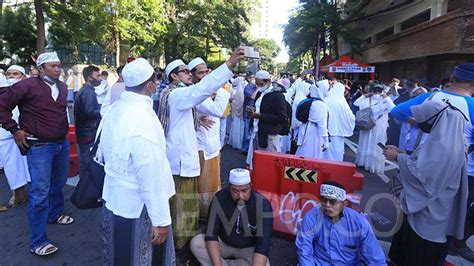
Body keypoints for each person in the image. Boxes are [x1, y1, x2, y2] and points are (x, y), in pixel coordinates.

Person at [157, 48, 244, 255]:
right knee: (183, 208)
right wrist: (229, 64)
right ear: (174, 76)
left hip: (184, 160)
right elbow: (200, 91)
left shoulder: (175, 93)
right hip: (180, 163)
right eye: (185, 71)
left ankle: (184, 245)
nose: (189, 74)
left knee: (187, 206)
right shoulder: (176, 94)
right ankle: (180, 250)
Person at [391, 63, 474, 262]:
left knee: (413, 217)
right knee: (439, 222)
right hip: (457, 173)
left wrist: (420, 122)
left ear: (453, 77)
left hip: (421, 162)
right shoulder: (469, 108)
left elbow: (398, 112)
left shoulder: (432, 97)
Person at [98, 58, 176, 265]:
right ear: (150, 85)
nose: (157, 84)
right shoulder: (142, 119)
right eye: (156, 80)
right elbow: (150, 174)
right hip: (138, 204)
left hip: (115, 197)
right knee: (139, 257)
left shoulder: (115, 110)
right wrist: (160, 221)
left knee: (118, 255)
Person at [0, 52, 73, 256]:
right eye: (53, 66)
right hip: (40, 146)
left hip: (61, 144)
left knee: (58, 184)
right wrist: (14, 129)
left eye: (59, 65)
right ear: (40, 69)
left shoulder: (63, 87)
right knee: (40, 193)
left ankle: (55, 214)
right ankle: (38, 241)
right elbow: (2, 106)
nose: (58, 69)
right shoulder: (27, 85)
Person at [190, 168, 273, 266]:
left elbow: (262, 245)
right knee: (196, 243)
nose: (240, 196)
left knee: (265, 264)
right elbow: (211, 234)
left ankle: (226, 263)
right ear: (229, 189)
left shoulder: (263, 204)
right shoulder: (220, 198)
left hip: (247, 248)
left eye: (244, 191)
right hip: (223, 244)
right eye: (235, 191)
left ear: (251, 187)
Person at [296, 181, 386, 265]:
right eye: (323, 199)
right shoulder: (311, 217)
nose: (327, 205)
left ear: (344, 204)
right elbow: (304, 250)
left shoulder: (359, 223)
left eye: (333, 201)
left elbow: (375, 257)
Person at [187, 57, 231, 218]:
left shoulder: (207, 90)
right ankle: (204, 216)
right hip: (202, 146)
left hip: (212, 143)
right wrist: (223, 89)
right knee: (204, 184)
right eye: (201, 73)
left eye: (207, 71)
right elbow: (218, 109)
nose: (205, 75)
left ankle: (212, 212)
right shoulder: (197, 93)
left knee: (214, 182)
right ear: (192, 76)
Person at [0, 65, 30, 212]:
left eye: (15, 74)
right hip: (6, 137)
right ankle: (18, 194)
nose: (11, 76)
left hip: (26, 135)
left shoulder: (29, 91)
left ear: (23, 76)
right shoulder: (4, 92)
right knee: (12, 168)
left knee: (29, 167)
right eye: (9, 74)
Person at [246, 70, 287, 167]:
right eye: (256, 83)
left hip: (270, 135)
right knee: (258, 163)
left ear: (268, 82)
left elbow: (282, 117)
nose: (258, 86)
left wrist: (260, 116)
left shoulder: (277, 96)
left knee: (269, 164)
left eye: (260, 84)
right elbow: (261, 108)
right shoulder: (260, 93)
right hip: (257, 132)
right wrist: (253, 110)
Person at [354, 84, 395, 174]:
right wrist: (386, 97)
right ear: (382, 91)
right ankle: (372, 165)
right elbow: (393, 108)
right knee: (375, 144)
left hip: (366, 125)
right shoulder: (384, 101)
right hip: (378, 125)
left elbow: (355, 103)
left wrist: (365, 95)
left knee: (365, 142)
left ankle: (363, 162)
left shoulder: (367, 99)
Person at [74, 65, 102, 185]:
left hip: (85, 132)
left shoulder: (87, 91)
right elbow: (89, 112)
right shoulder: (87, 92)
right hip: (88, 133)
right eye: (97, 75)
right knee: (87, 162)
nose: (100, 78)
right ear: (90, 78)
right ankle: (85, 190)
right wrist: (103, 111)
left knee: (85, 161)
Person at [295, 80, 330, 159]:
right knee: (312, 155)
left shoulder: (312, 101)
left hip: (305, 130)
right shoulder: (320, 104)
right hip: (314, 134)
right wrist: (326, 140)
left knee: (303, 153)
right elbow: (322, 124)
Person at [322, 81, 355, 161]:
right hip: (338, 134)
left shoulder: (325, 100)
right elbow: (351, 118)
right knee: (336, 155)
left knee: (323, 155)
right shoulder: (343, 103)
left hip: (325, 133)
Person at [397, 86, 428, 154]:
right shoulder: (406, 108)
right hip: (404, 143)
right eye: (416, 94)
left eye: (421, 94)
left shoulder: (428, 110)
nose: (418, 96)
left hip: (419, 147)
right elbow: (397, 120)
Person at [229, 76, 246, 150]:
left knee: (235, 126)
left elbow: (235, 102)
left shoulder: (236, 91)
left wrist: (232, 101)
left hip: (236, 112)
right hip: (241, 112)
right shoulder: (243, 92)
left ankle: (235, 141)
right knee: (241, 127)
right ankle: (240, 142)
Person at [242, 72, 256, 153]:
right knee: (247, 132)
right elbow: (252, 97)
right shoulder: (248, 87)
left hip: (253, 112)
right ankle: (245, 149)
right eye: (253, 78)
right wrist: (258, 89)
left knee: (250, 132)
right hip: (247, 112)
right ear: (249, 78)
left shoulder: (254, 87)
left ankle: (248, 149)